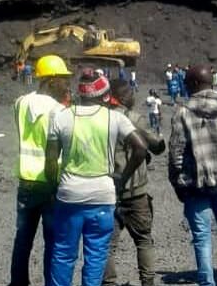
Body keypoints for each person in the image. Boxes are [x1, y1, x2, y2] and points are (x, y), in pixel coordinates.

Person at [45, 70, 148, 286]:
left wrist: (54, 188)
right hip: (103, 195)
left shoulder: (61, 116)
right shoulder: (115, 117)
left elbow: (51, 161)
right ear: (105, 95)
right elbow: (140, 148)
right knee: (95, 257)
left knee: (63, 254)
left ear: (79, 94)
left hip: (69, 194)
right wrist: (121, 178)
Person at [168, 65, 217, 286]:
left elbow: (176, 153)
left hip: (195, 187)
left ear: (193, 84)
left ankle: (207, 283)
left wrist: (177, 183)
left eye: (186, 82)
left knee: (202, 239)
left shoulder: (183, 112)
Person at [9, 55, 73, 286]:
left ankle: (18, 282)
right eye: (63, 79)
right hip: (50, 181)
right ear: (50, 79)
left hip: (26, 180)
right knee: (53, 240)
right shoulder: (59, 110)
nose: (67, 84)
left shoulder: (20, 103)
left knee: (23, 238)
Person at [103, 80, 166, 286]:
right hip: (134, 191)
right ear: (121, 96)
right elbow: (157, 146)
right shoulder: (133, 119)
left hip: (106, 191)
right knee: (143, 241)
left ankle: (108, 283)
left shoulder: (99, 118)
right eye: (130, 93)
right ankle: (147, 283)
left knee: (107, 246)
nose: (134, 97)